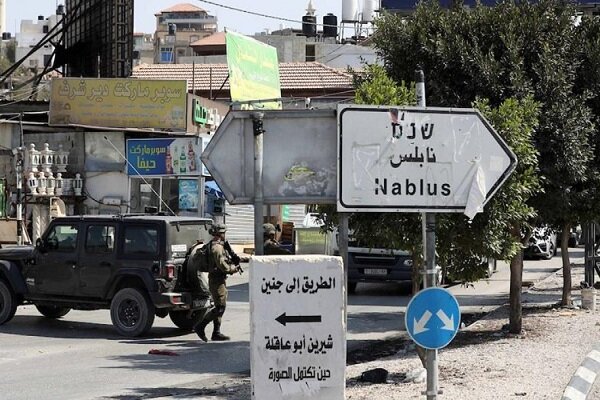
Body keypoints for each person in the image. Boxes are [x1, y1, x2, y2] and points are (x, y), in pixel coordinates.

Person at [193, 223, 241, 342]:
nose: (225, 235)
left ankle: (216, 333)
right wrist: (234, 269)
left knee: (219, 305)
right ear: (220, 233)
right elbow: (222, 265)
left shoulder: (217, 245)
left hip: (218, 279)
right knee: (220, 308)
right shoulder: (217, 248)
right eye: (224, 232)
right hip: (216, 280)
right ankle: (200, 326)